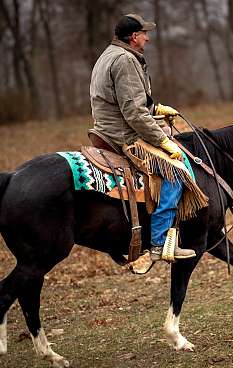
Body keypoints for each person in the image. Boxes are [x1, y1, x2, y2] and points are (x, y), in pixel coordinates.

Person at [90, 13, 203, 261]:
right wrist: (162, 142)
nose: (148, 38)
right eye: (144, 33)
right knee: (177, 169)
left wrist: (157, 110)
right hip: (125, 135)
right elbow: (133, 113)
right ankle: (160, 241)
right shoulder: (124, 60)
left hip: (111, 127)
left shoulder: (110, 54)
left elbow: (129, 102)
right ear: (134, 37)